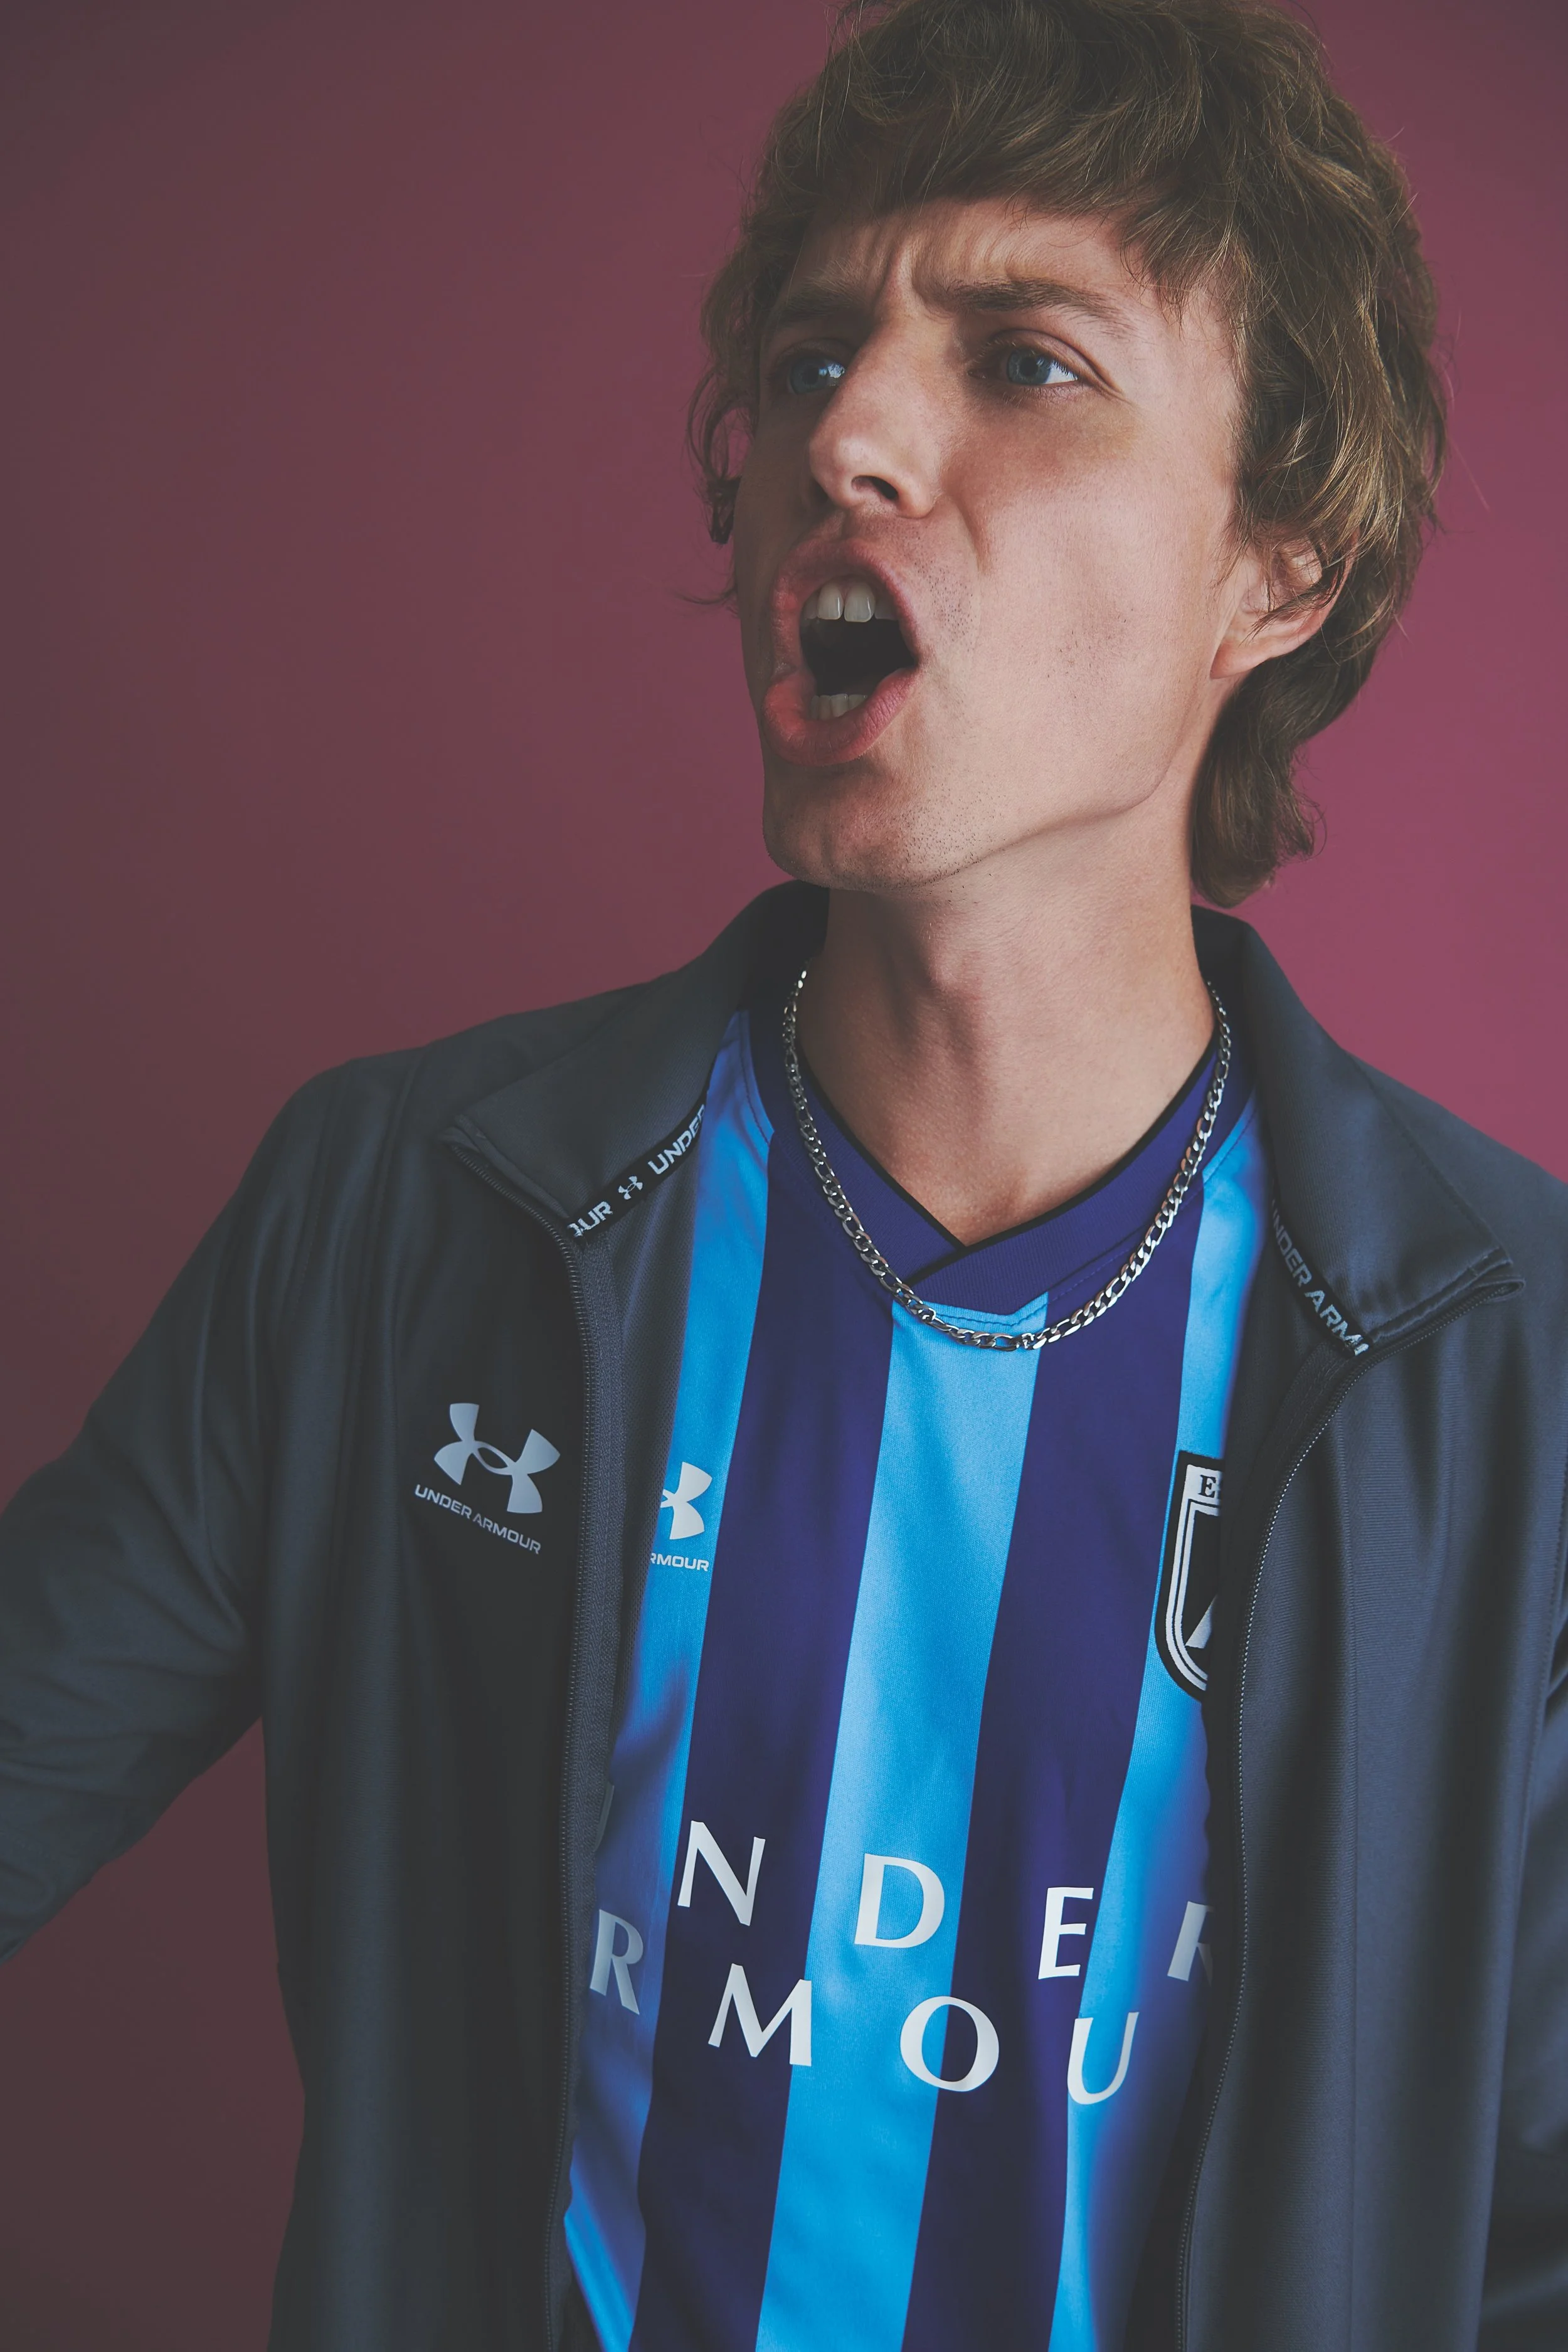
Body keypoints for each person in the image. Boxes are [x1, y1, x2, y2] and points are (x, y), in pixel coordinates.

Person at [1, 0, 1564, 2344]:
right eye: (814, 355)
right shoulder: (393, 1220)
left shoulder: (1512, 1381)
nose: (845, 435)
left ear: (1278, 567)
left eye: (1025, 361)